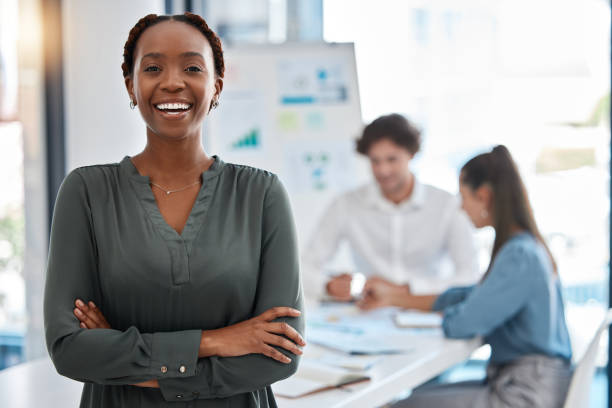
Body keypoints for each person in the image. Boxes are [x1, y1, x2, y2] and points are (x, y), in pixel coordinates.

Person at [43, 13, 304, 408]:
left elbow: (280, 355)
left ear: (216, 86)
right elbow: (69, 349)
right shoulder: (87, 192)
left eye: (192, 67)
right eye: (152, 68)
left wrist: (121, 353)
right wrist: (216, 341)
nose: (171, 81)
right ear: (131, 86)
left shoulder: (261, 194)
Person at [363, 145, 573, 408]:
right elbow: (467, 297)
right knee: (401, 401)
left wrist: (460, 311)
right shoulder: (524, 247)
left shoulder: (519, 255)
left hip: (524, 395)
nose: (461, 208)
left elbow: (462, 323)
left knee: (397, 406)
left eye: (463, 197)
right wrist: (394, 298)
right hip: (524, 383)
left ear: (483, 196)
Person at [302, 113, 479, 303]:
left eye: (392, 159)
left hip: (430, 312)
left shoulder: (447, 205)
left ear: (411, 154)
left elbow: (470, 276)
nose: (383, 170)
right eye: (375, 161)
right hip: (368, 315)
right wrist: (327, 285)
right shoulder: (346, 204)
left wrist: (405, 289)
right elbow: (304, 267)